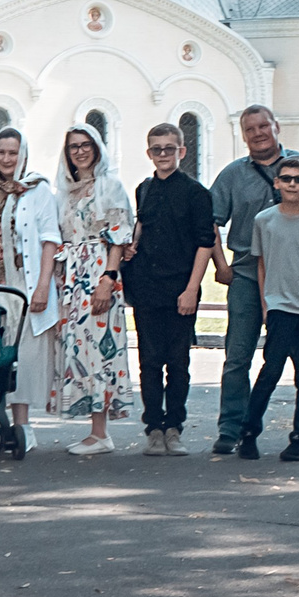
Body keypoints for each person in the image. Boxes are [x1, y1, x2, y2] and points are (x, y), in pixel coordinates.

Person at [210, 104, 299, 456]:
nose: (258, 133)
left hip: (298, 279)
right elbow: (211, 222)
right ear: (243, 134)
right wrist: (222, 265)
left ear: (276, 126)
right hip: (248, 273)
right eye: (250, 128)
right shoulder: (232, 175)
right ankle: (232, 427)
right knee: (238, 355)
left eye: (263, 126)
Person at [120, 121, 215, 456]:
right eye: (157, 149)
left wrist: (192, 289)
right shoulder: (144, 188)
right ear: (149, 153)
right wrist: (132, 247)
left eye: (169, 149)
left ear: (182, 151)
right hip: (146, 287)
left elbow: (206, 243)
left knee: (177, 362)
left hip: (180, 288)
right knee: (148, 361)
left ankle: (174, 428)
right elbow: (142, 226)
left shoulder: (196, 193)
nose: (163, 154)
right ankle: (153, 429)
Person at [236, 157, 299, 463]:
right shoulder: (264, 221)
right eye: (286, 178)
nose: (292, 184)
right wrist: (267, 305)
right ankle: (249, 432)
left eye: (298, 179)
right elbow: (262, 264)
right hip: (280, 307)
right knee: (270, 371)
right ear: (276, 183)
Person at [0, 126, 59, 454]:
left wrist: (44, 287)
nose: (6, 159)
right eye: (1, 152)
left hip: (25, 285)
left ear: (23, 155)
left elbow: (50, 239)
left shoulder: (38, 191)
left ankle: (22, 425)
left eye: (12, 153)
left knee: (24, 357)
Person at [51, 127, 135, 456]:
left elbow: (118, 235)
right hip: (71, 278)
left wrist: (108, 278)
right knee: (78, 351)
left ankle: (101, 433)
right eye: (74, 146)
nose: (80, 151)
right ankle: (94, 429)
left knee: (100, 349)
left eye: (86, 145)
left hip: (99, 272)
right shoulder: (65, 192)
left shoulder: (110, 186)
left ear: (97, 149)